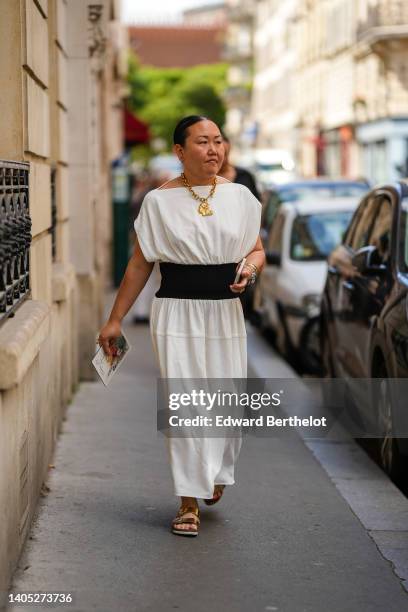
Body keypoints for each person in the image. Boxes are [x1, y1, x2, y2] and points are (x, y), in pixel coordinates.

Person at [97, 115, 265, 537]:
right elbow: (140, 263)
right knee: (187, 402)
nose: (214, 150)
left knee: (224, 398)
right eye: (203, 142)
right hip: (176, 310)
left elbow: (257, 250)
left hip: (226, 309)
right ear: (179, 151)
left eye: (218, 141)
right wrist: (115, 319)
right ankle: (188, 501)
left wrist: (249, 268)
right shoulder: (158, 201)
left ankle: (213, 472)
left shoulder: (241, 197)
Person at [218, 132, 261, 201]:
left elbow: (257, 203)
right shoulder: (206, 179)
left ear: (229, 148)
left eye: (224, 153)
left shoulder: (245, 175)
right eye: (218, 154)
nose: (221, 158)